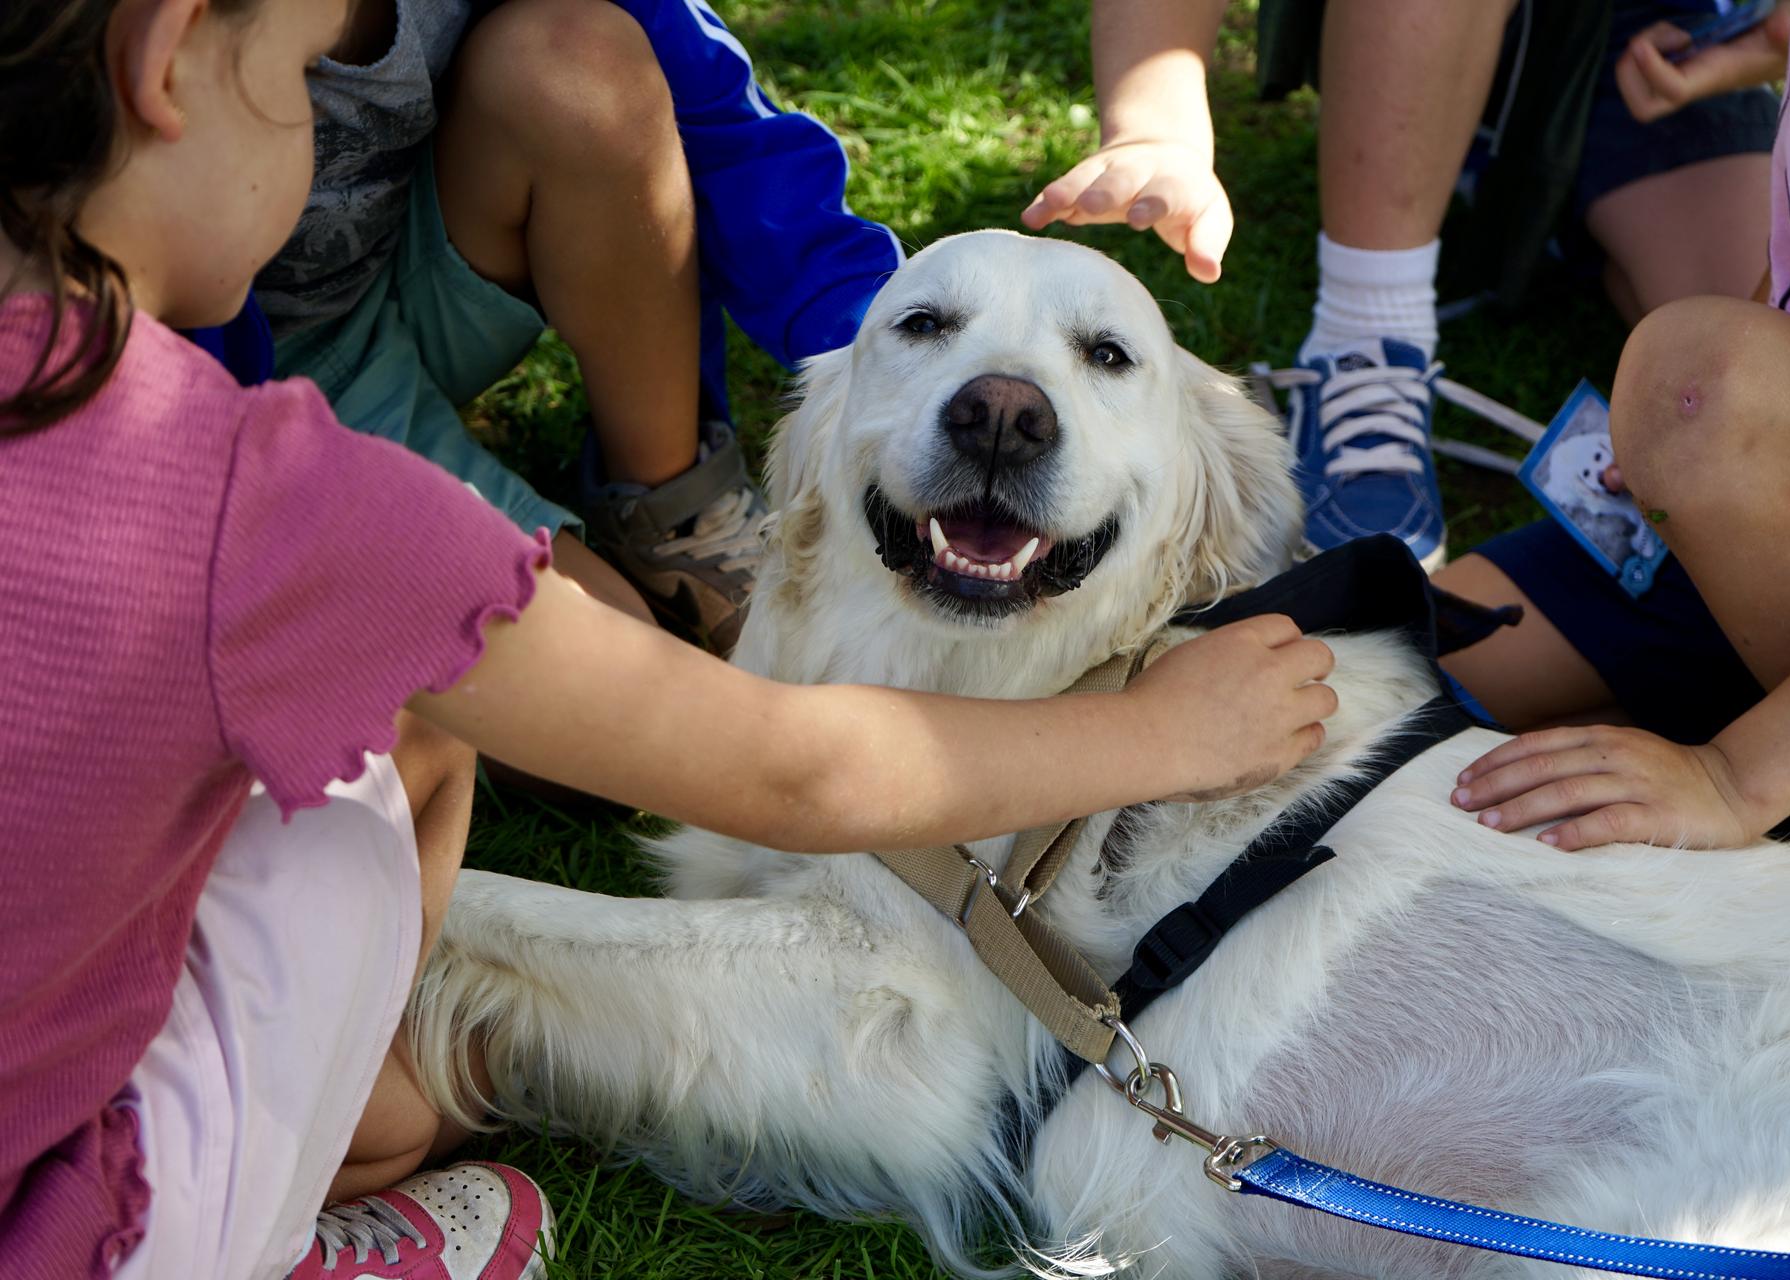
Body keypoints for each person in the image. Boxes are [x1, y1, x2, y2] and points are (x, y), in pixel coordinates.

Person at [0, 2, 1342, 1277]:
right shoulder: (281, 503)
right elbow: (788, 773)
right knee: (406, 732)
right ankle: (290, 1221)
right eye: (299, 81)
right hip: (86, 1225)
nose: (317, 123)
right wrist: (1154, 735)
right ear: (168, 63)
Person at [1024, 0, 1786, 571]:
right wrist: (1159, 130)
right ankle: (1367, 331)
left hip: (1661, 53)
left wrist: (1762, 46)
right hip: (1409, 35)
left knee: (1769, 395)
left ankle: (1554, 201)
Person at [247, 0, 905, 655]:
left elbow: (732, 137)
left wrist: (898, 343)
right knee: (616, 691)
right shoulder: (168, 39)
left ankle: (671, 505)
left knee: (579, 59)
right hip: (217, 390)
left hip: (405, 277)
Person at [1444, 0, 1790, 849]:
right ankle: (1776, 719)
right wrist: (1713, 468)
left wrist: (1733, 781)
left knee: (1694, 386)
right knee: (1371, 654)